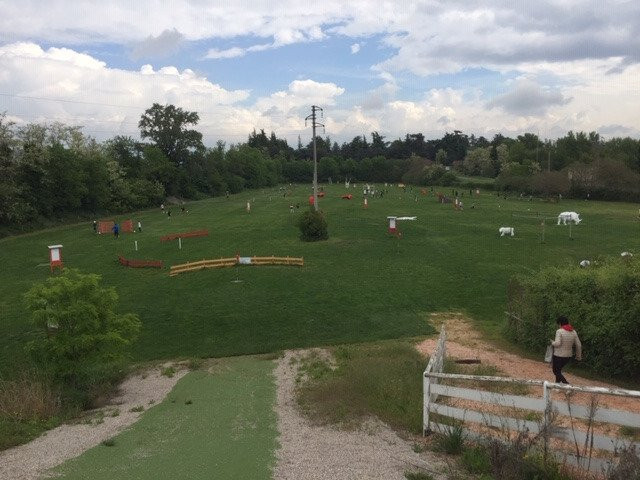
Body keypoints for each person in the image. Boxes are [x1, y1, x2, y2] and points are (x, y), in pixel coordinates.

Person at [550, 315, 582, 384]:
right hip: (568, 356)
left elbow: (558, 343)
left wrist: (553, 343)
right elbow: (578, 345)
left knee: (555, 371)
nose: (559, 325)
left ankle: (567, 385)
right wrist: (578, 356)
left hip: (558, 355)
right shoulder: (573, 332)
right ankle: (557, 385)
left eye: (559, 324)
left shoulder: (559, 331)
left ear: (560, 323)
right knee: (558, 370)